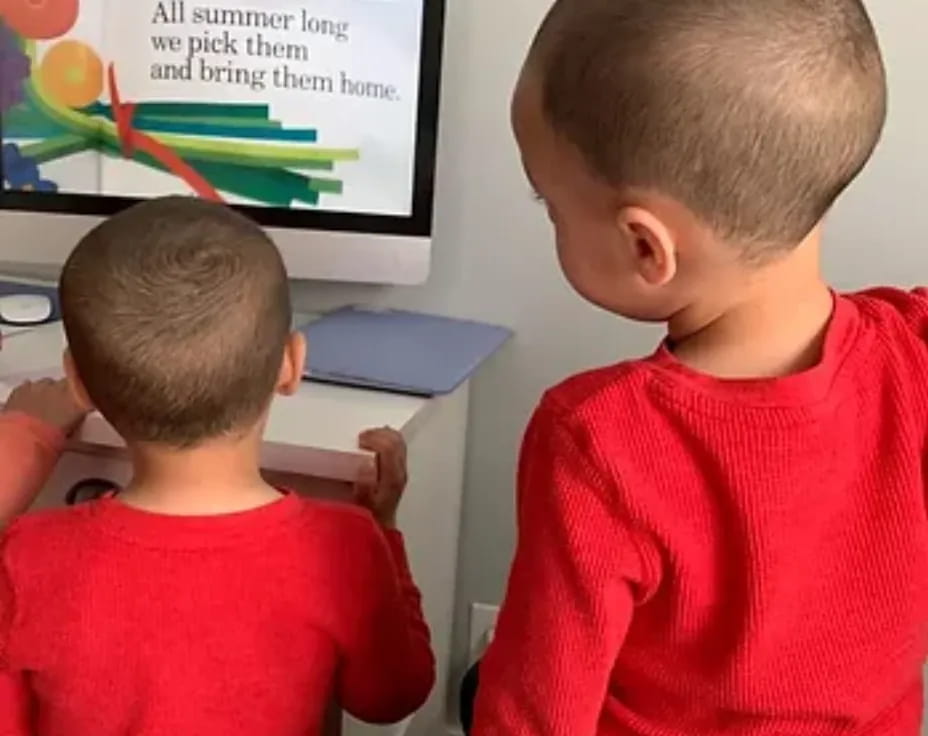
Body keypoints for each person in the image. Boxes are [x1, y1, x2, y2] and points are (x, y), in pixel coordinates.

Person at [469, 1, 928, 734]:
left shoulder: (595, 441)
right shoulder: (914, 352)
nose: (550, 220)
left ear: (647, 249)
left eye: (549, 204)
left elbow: (532, 717)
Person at [0, 196, 435, 736]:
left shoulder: (26, 556)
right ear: (291, 364)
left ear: (78, 382)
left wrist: (24, 436)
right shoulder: (346, 544)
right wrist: (385, 532)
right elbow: (393, 696)